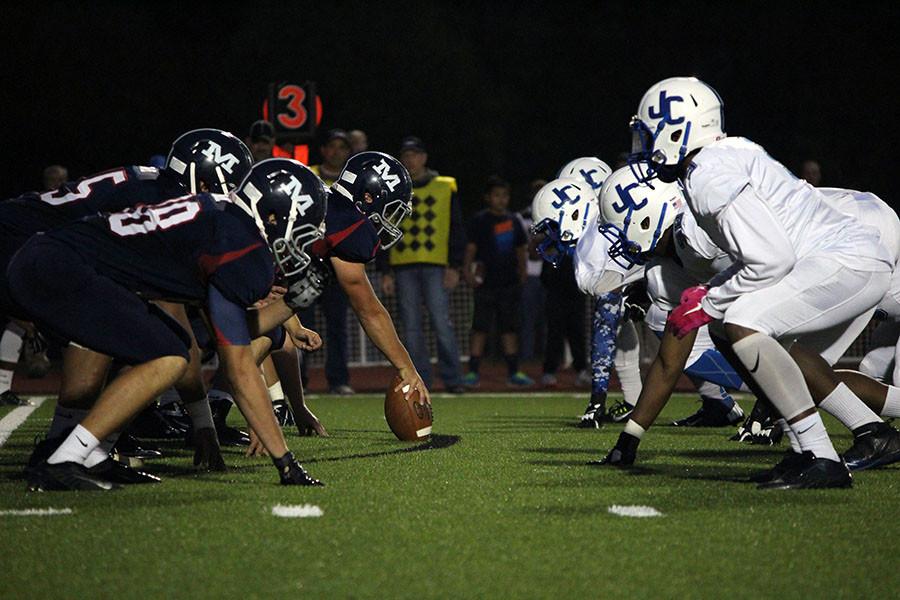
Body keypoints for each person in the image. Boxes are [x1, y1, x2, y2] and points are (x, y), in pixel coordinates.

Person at [598, 77, 900, 488]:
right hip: (845, 251)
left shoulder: (705, 184)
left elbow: (770, 259)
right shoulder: (718, 161)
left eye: (650, 134)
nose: (646, 146)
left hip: (852, 253)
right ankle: (823, 447)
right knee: (752, 331)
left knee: (744, 322)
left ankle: (820, 453)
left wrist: (709, 299)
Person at [10, 157, 329, 491]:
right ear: (274, 215)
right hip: (61, 268)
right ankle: (63, 458)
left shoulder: (225, 217)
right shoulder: (242, 246)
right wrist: (286, 462)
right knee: (169, 355)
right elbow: (238, 364)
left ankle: (91, 454)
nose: (303, 241)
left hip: (53, 259)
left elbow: (233, 331)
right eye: (302, 226)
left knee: (169, 345)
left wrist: (291, 304)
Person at [531, 175, 745, 430]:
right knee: (670, 317)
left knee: (689, 326)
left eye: (552, 228)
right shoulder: (599, 232)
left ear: (573, 214)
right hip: (701, 256)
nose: (549, 238)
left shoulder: (591, 254)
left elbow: (605, 326)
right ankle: (727, 400)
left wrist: (597, 399)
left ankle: (762, 390)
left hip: (708, 257)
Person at [318, 151, 431, 403]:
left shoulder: (328, 204)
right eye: (389, 209)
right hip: (240, 262)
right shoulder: (349, 226)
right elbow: (369, 310)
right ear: (368, 196)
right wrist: (406, 368)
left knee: (278, 330)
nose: (390, 220)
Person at [380, 136, 466, 393]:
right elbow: (384, 228)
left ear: (424, 157)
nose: (410, 160)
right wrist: (386, 271)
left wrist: (455, 265)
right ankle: (422, 379)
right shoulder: (393, 189)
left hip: (436, 265)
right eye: (406, 155)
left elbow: (456, 227)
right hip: (403, 266)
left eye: (415, 154)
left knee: (441, 323)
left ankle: (453, 380)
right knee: (411, 327)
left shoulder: (444, 186)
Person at [462, 176, 533, 387]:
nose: (501, 200)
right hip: (485, 284)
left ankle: (514, 372)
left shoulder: (513, 221)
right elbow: (471, 248)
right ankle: (473, 372)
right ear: (487, 198)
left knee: (509, 328)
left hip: (509, 282)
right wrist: (467, 270)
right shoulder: (479, 220)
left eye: (504, 196)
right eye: (496, 195)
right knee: (480, 328)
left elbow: (521, 249)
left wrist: (523, 271)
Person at [306, 129, 354, 394]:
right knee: (302, 323)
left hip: (337, 261)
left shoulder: (352, 180)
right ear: (323, 150)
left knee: (338, 325)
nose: (336, 152)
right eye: (332, 146)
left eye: (342, 147)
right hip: (308, 260)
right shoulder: (308, 173)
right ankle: (299, 381)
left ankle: (338, 380)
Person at [515, 179, 547, 362]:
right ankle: (527, 357)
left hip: (550, 274)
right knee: (527, 319)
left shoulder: (558, 215)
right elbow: (522, 247)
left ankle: (547, 357)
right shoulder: (521, 217)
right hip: (531, 274)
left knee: (548, 320)